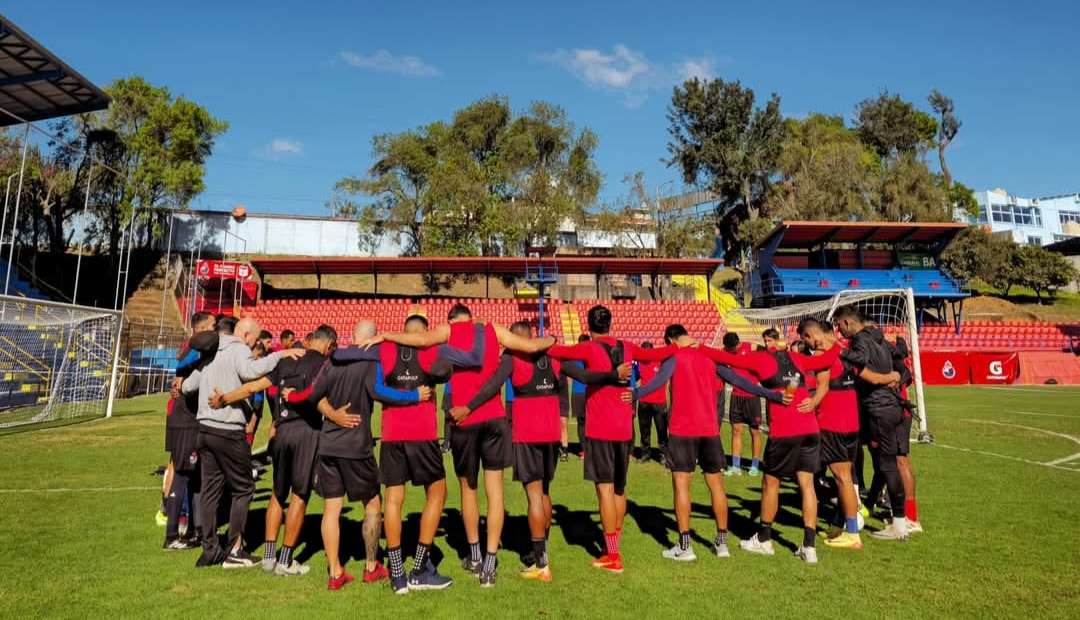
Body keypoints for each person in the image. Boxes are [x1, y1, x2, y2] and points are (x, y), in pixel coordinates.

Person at [357, 304, 556, 588]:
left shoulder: (446, 333)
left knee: (465, 489)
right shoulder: (493, 330)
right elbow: (531, 345)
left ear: (450, 319)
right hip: (493, 418)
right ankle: (489, 566)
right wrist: (553, 340)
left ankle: (465, 558)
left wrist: (386, 335)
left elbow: (421, 341)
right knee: (495, 493)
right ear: (471, 317)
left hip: (457, 421)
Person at [338, 311, 488, 593]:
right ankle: (419, 569)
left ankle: (397, 574)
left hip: (392, 436)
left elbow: (343, 356)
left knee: (394, 499)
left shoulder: (384, 348)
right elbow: (463, 362)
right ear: (424, 332)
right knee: (438, 493)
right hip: (422, 434)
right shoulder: (431, 349)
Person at [636, 324, 786, 562]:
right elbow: (739, 380)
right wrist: (773, 395)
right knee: (716, 486)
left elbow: (657, 382)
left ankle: (685, 546)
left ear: (669, 340)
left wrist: (631, 396)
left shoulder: (674, 356)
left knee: (682, 485)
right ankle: (721, 542)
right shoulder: (709, 357)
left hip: (682, 430)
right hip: (709, 430)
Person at [547, 305, 676, 574]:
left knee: (604, 489)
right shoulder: (628, 346)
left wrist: (542, 342)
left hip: (600, 430)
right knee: (619, 488)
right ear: (610, 323)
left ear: (589, 324)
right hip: (623, 429)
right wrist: (681, 345)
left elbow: (557, 352)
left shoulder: (589, 348)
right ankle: (613, 542)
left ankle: (613, 555)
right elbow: (656, 354)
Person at [305, 320, 428, 590]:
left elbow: (314, 395)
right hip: (356, 447)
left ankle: (335, 572)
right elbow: (379, 392)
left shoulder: (332, 361)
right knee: (372, 504)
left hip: (328, 446)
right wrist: (414, 396)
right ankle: (371, 566)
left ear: (351, 336)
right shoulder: (371, 363)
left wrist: (332, 414)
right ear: (373, 340)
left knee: (331, 509)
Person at [697, 337, 840, 564]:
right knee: (807, 485)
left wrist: (700, 347)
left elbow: (725, 358)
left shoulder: (760, 359)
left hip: (785, 430)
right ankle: (809, 547)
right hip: (810, 428)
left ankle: (764, 538)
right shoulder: (797, 358)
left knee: (771, 484)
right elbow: (828, 358)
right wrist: (833, 342)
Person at [182, 317, 304, 568]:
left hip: (204, 428)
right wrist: (281, 356)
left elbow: (189, 386)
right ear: (246, 335)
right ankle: (235, 549)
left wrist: (184, 385)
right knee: (244, 488)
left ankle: (210, 549)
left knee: (210, 490)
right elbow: (251, 372)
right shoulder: (237, 348)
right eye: (256, 339)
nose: (256, 344)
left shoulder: (211, 349)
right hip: (228, 429)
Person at [467, 322, 574, 582]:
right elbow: (581, 376)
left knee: (534, 495)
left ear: (516, 340)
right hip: (550, 431)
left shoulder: (513, 357)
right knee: (545, 491)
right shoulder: (553, 354)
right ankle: (542, 550)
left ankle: (541, 564)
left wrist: (468, 406)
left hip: (527, 430)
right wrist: (614, 377)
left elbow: (493, 385)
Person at [795, 319, 883, 550]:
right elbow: (870, 376)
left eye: (805, 337)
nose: (805, 343)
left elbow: (822, 388)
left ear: (812, 335)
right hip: (852, 423)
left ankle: (853, 533)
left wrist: (810, 405)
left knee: (842, 478)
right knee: (845, 477)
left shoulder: (825, 356)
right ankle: (840, 525)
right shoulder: (847, 353)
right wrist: (891, 377)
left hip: (833, 424)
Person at [833, 306, 910, 542]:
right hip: (895, 407)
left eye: (839, 326)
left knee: (887, 465)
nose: (838, 331)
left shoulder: (859, 341)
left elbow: (860, 359)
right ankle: (890, 515)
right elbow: (902, 365)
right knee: (888, 463)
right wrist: (897, 378)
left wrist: (839, 352)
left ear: (847, 322)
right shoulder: (881, 340)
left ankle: (899, 524)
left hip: (879, 408)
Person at [162, 312, 218, 550]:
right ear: (203, 328)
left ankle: (197, 531)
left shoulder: (192, 349)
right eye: (213, 326)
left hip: (187, 421)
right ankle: (172, 536)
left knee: (194, 477)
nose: (216, 330)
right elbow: (182, 370)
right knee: (183, 476)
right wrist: (179, 383)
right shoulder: (194, 350)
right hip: (185, 422)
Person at [722, 333, 764, 477]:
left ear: (738, 343)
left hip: (752, 396)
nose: (731, 351)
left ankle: (755, 465)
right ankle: (735, 466)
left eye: (733, 348)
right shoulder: (725, 352)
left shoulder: (749, 347)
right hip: (736, 396)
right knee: (736, 430)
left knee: (755, 431)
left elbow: (765, 352)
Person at [634, 342, 669, 463]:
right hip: (644, 402)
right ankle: (645, 454)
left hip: (659, 403)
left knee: (662, 431)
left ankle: (664, 454)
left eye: (648, 352)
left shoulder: (661, 361)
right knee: (644, 431)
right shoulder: (638, 363)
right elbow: (636, 378)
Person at [564, 334, 591, 455]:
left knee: (583, 421)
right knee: (584, 421)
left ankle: (586, 449)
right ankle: (586, 449)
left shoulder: (574, 355)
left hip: (580, 392)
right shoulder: (577, 355)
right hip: (585, 392)